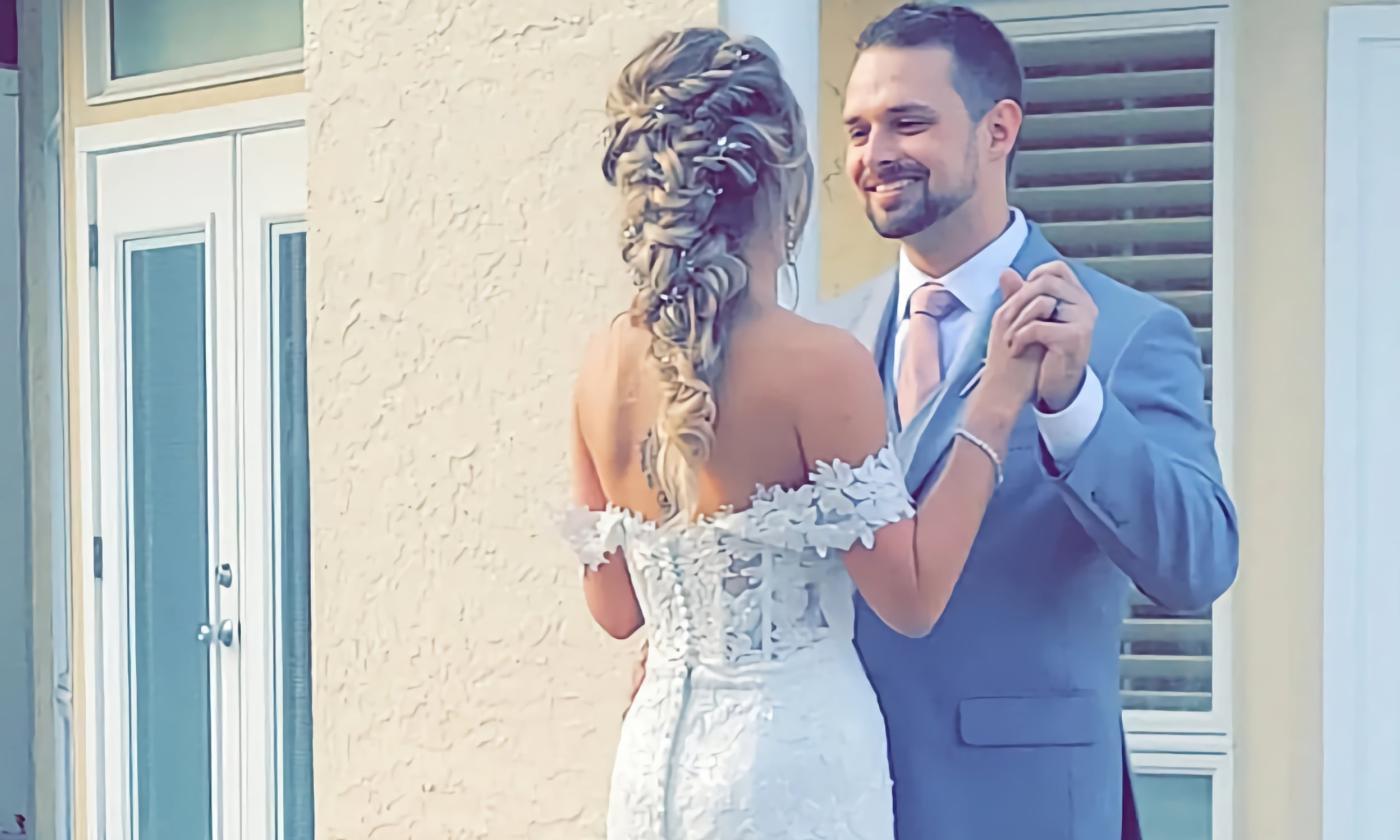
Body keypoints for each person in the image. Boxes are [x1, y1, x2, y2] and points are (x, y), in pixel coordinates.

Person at [562, 26, 1049, 840]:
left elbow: (615, 608)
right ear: (780, 179)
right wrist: (993, 405)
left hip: (653, 770)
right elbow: (913, 595)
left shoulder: (601, 365)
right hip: (791, 765)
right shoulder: (821, 364)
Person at [803, 4, 1239, 837]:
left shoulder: (1124, 331)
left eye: (909, 122)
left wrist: (1073, 405)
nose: (874, 154)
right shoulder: (818, 344)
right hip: (834, 795)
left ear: (998, 129)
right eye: (858, 129)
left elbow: (1198, 566)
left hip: (1023, 806)